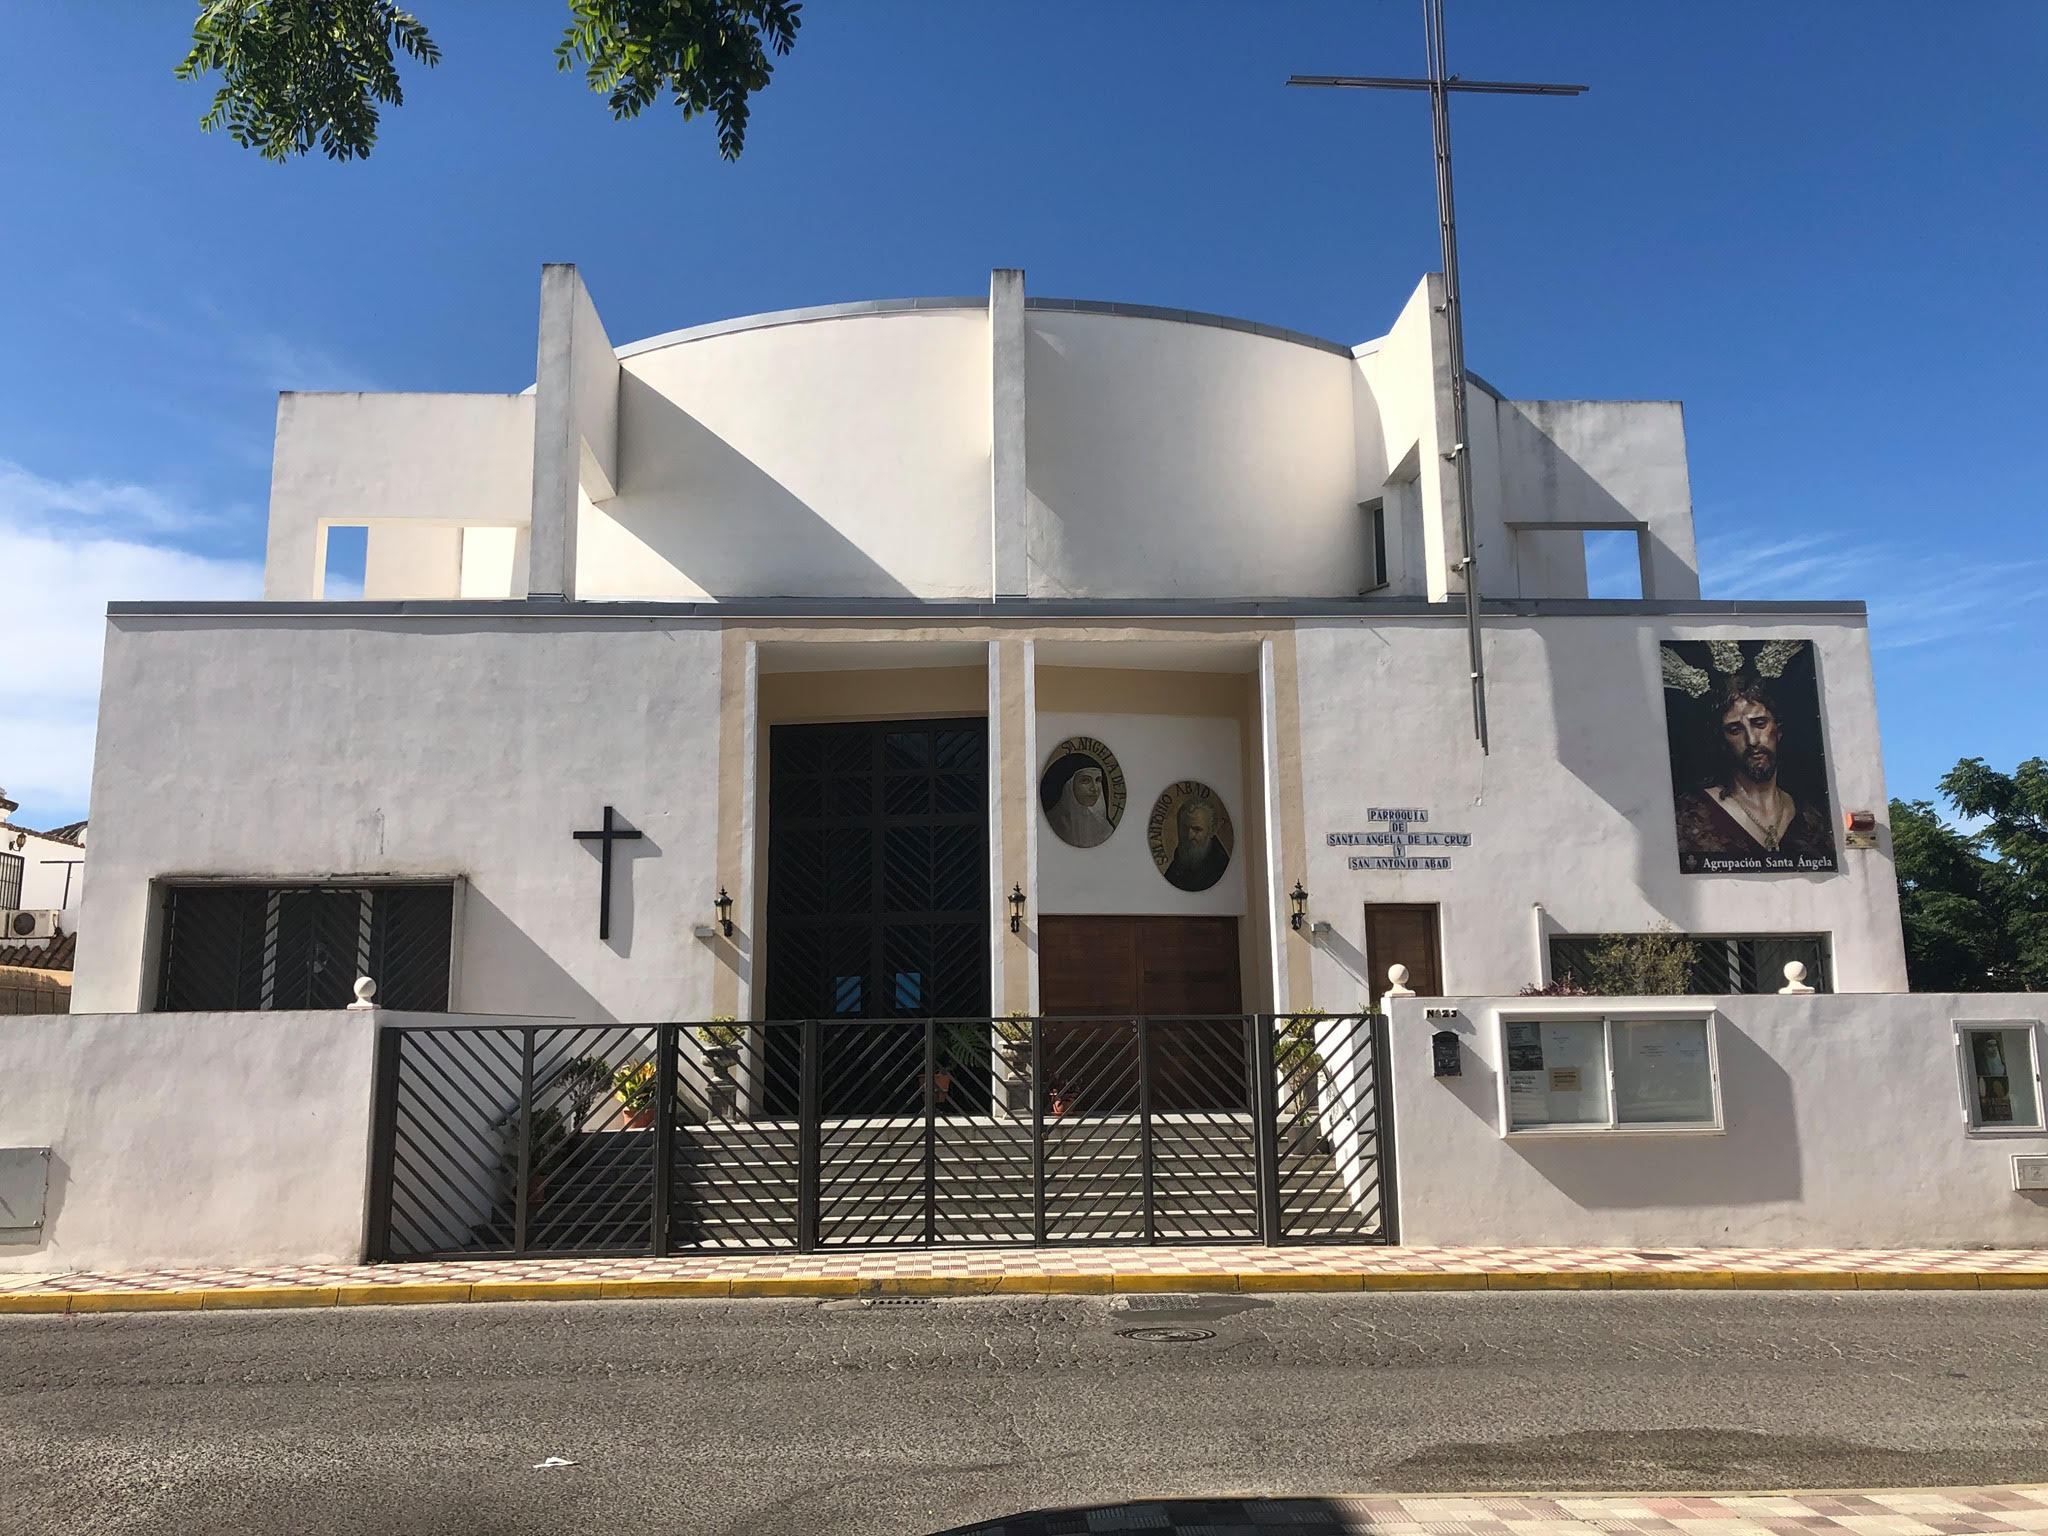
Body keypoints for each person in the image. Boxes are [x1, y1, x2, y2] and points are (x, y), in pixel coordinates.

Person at [1673, 671, 1834, 865]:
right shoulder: (1692, 814)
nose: (1751, 740)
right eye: (1735, 730)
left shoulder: (1810, 818)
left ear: (1778, 730)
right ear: (1722, 740)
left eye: (1759, 724)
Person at [1162, 795, 1231, 892]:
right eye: (1185, 828)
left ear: (1211, 831)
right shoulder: (1176, 866)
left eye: (1197, 829)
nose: (1189, 835)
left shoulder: (1220, 867)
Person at [1045, 761, 1115, 848]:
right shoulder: (1051, 823)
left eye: (1098, 780)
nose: (1094, 788)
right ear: (1069, 785)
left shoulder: (1106, 828)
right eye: (1085, 780)